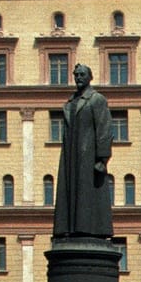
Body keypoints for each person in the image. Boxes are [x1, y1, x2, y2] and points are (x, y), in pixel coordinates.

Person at [52, 63, 114, 238]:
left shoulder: (96, 99)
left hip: (88, 155)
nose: (78, 77)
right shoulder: (71, 102)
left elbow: (104, 128)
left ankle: (90, 230)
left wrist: (102, 159)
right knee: (70, 193)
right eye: (76, 75)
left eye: (82, 74)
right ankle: (70, 228)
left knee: (88, 194)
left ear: (90, 77)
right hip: (71, 155)